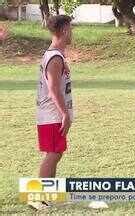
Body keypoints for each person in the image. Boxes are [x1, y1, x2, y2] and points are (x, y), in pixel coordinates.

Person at [28, 15, 74, 210]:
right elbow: (53, 89)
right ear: (64, 30)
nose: (72, 33)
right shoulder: (54, 57)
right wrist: (64, 113)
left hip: (52, 114)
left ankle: (46, 195)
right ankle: (38, 199)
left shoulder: (56, 54)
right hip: (52, 114)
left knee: (56, 153)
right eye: (71, 29)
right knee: (53, 153)